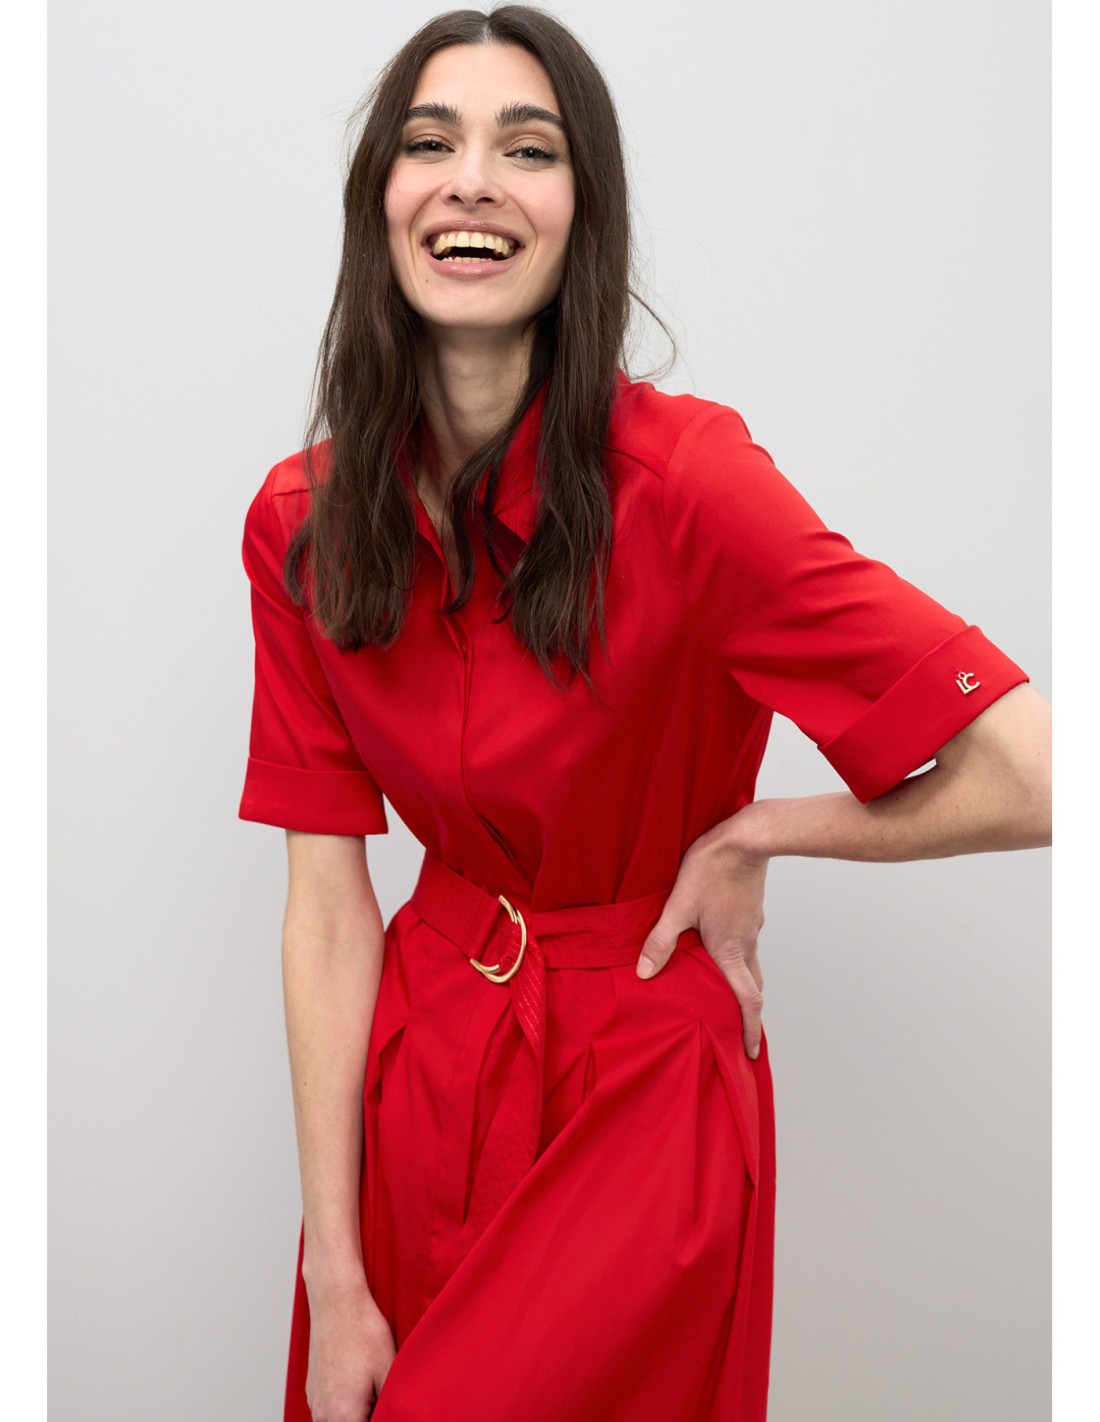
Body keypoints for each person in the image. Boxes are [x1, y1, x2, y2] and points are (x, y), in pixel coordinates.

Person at [237, 7, 1052, 1420]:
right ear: (380, 199)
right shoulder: (302, 526)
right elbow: (325, 908)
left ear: (584, 213)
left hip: (641, 1082)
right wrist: (336, 1272)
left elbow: (1038, 773)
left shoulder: (691, 487)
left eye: (528, 149)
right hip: (422, 1071)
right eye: (430, 143)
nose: (473, 181)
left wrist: (758, 831)